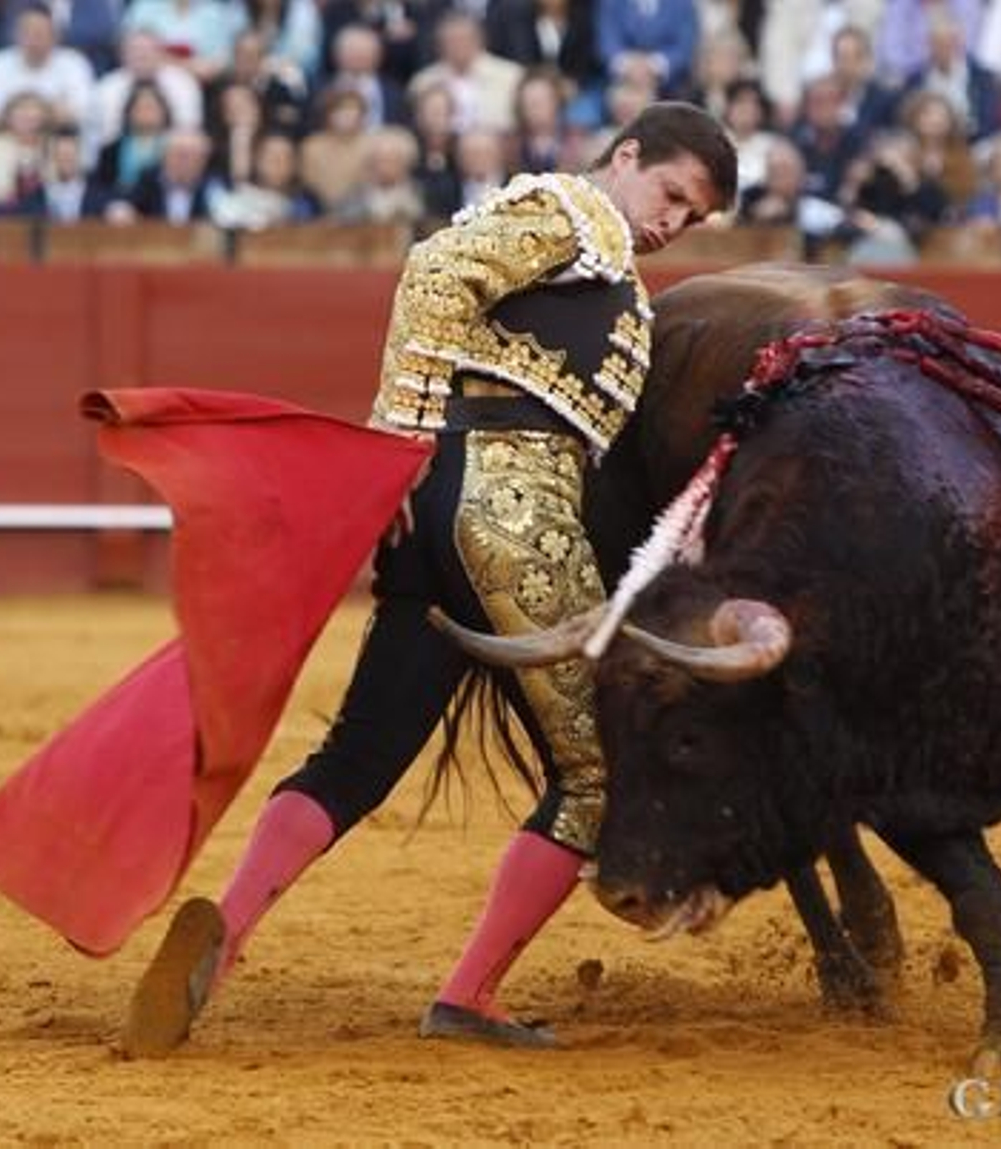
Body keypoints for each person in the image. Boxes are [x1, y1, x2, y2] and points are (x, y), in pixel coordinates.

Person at [122, 100, 736, 1057]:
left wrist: (415, 457)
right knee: (599, 772)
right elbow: (435, 270)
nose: (670, 224)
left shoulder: (605, 264)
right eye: (670, 195)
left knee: (360, 755)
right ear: (625, 157)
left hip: (447, 515)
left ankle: (224, 939)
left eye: (691, 219)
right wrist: (401, 435)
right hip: (508, 512)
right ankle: (471, 992)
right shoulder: (575, 214)